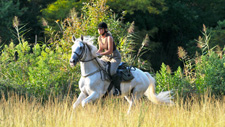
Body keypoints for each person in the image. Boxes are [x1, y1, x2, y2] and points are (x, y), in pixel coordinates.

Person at [96, 22, 122, 96]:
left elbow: (110, 51)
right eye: (98, 29)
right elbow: (100, 49)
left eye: (101, 29)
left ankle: (117, 89)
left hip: (115, 56)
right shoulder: (99, 38)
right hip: (106, 57)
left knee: (112, 71)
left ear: (105, 29)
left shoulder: (109, 38)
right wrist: (95, 54)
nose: (99, 30)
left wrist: (100, 54)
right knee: (97, 65)